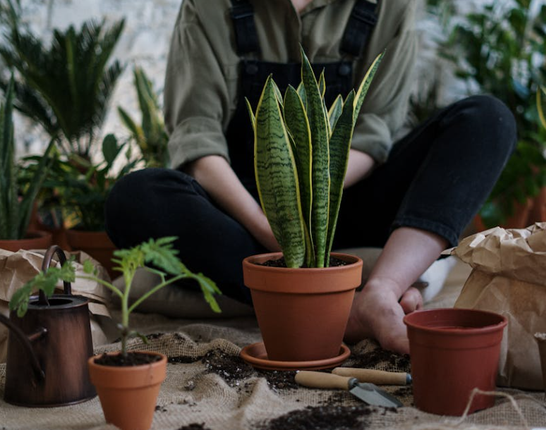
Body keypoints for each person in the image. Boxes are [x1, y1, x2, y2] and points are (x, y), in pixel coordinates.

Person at [105, 0, 516, 354]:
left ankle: (380, 291)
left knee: (487, 120)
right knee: (135, 197)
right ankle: (333, 306)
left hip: (343, 201)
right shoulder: (211, 5)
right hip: (245, 220)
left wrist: (315, 206)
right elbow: (197, 139)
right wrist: (275, 229)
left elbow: (373, 133)